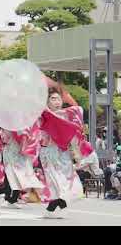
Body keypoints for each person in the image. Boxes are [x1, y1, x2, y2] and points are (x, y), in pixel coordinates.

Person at [37, 88, 92, 218]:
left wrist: (77, 153)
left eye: (59, 99)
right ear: (47, 101)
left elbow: (74, 130)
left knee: (63, 179)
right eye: (53, 99)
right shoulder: (43, 115)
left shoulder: (66, 114)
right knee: (54, 181)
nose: (57, 102)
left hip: (63, 152)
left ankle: (54, 208)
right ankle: (59, 207)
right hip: (48, 153)